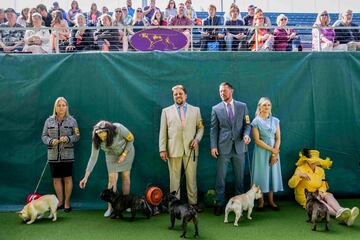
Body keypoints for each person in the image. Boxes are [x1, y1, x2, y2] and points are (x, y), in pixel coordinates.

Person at [159, 85, 204, 212]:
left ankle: (193, 203)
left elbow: (200, 128)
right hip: (173, 150)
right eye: (175, 94)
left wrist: (197, 139)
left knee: (191, 178)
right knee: (174, 179)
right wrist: (162, 149)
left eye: (180, 93)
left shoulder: (196, 110)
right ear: (173, 96)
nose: (178, 96)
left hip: (191, 150)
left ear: (186, 95)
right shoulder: (166, 111)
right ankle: (175, 205)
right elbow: (163, 132)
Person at [210, 82, 251, 216]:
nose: (222, 93)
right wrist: (213, 146)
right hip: (223, 148)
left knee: (239, 178)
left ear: (231, 91)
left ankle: (239, 204)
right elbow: (214, 130)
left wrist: (246, 135)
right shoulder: (216, 109)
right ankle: (220, 203)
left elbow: (248, 124)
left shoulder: (242, 106)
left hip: (239, 147)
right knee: (220, 178)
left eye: (225, 91)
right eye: (220, 91)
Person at [288, 149, 359, 226]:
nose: (314, 162)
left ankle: (340, 210)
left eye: (315, 160)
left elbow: (323, 183)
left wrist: (321, 192)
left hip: (318, 192)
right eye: (311, 160)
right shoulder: (300, 169)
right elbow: (291, 184)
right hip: (305, 195)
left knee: (329, 195)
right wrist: (299, 176)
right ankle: (343, 217)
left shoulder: (321, 170)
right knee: (319, 202)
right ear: (307, 160)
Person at [79, 120, 135, 218]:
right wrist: (85, 177)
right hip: (111, 155)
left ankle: (126, 204)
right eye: (99, 133)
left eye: (103, 133)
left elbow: (131, 139)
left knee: (125, 176)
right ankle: (110, 208)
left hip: (127, 152)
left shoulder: (118, 128)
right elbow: (93, 158)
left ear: (109, 131)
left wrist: (124, 154)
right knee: (112, 180)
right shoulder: (96, 139)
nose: (101, 136)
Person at [41, 97, 80, 212]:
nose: (61, 107)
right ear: (55, 107)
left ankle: (67, 203)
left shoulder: (72, 121)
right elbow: (44, 136)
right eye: (59, 105)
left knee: (67, 178)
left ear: (66, 107)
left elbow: (77, 136)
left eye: (63, 105)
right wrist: (50, 141)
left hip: (67, 155)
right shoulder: (49, 121)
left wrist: (68, 138)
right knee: (56, 179)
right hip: (53, 155)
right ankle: (60, 202)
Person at [251, 97, 283, 210]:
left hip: (274, 152)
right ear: (259, 106)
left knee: (271, 174)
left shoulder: (275, 120)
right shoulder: (255, 122)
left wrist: (274, 154)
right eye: (264, 105)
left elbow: (278, 138)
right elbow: (257, 140)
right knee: (261, 174)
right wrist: (272, 149)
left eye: (268, 105)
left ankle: (271, 201)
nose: (267, 107)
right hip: (261, 152)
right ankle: (261, 201)